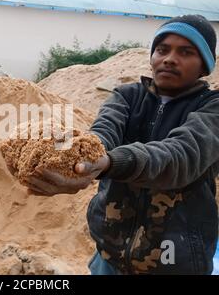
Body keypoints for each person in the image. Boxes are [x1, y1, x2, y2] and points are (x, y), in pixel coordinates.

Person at [25, 15, 219, 275]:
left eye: (186, 52)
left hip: (177, 260)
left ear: (204, 66)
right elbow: (103, 133)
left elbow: (179, 157)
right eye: (162, 49)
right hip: (110, 252)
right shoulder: (127, 96)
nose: (169, 58)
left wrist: (109, 163)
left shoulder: (211, 108)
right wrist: (77, 156)